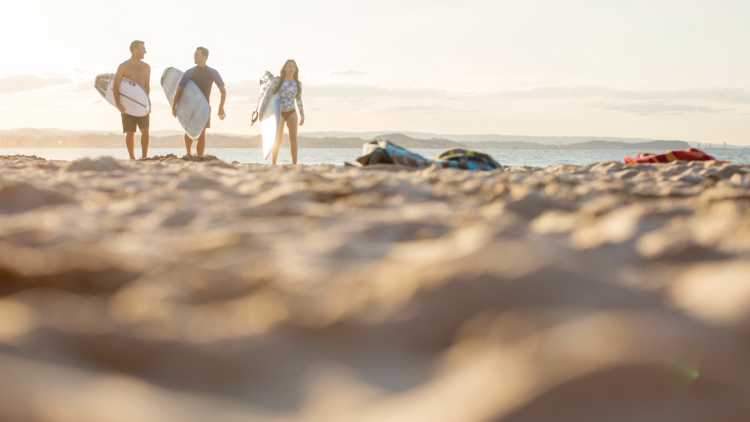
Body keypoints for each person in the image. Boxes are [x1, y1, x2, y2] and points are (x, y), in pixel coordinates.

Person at [171, 47, 227, 157]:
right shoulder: (189, 72)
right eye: (194, 54)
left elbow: (223, 91)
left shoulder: (213, 72)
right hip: (189, 107)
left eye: (197, 55)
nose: (194, 57)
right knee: (188, 131)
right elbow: (179, 90)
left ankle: (200, 157)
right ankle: (188, 153)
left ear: (204, 57)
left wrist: (221, 107)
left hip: (204, 107)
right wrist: (174, 106)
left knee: (202, 134)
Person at [260, 60, 305, 164]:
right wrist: (261, 112)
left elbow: (299, 100)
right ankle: (274, 163)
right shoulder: (278, 81)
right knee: (278, 139)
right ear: (285, 68)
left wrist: (302, 115)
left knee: (293, 138)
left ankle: (294, 164)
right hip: (279, 112)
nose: (291, 68)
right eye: (289, 66)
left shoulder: (298, 84)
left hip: (292, 112)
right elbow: (267, 95)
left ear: (295, 69)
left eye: (293, 66)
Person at [114, 40, 150, 160]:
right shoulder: (124, 66)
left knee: (145, 130)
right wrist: (118, 104)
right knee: (130, 132)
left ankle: (144, 157)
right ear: (135, 50)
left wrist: (147, 103)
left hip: (141, 104)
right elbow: (116, 85)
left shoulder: (146, 67)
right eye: (142, 48)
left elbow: (147, 86)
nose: (145, 51)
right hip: (127, 105)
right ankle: (132, 158)